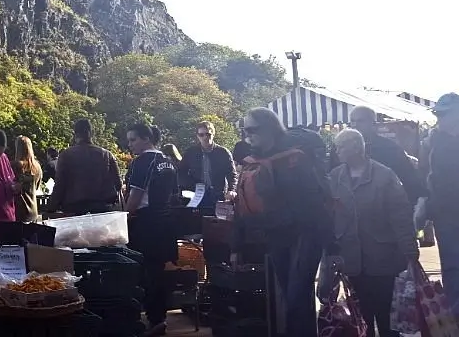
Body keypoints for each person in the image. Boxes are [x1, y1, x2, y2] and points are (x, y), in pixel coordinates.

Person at [236, 107, 334, 337]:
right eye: (244, 130)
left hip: (304, 235)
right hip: (276, 236)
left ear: (270, 129)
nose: (247, 135)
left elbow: (317, 202)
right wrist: (236, 245)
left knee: (296, 300)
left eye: (252, 129)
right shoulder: (253, 161)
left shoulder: (296, 159)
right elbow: (241, 206)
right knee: (293, 301)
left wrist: (333, 246)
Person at [324, 129, 418, 337]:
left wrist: (410, 249)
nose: (337, 151)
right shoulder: (335, 177)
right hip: (352, 261)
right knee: (360, 317)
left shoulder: (384, 176)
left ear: (356, 147)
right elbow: (328, 217)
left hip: (383, 258)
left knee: (386, 316)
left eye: (341, 147)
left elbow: (401, 216)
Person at [124, 123, 179, 337]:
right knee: (159, 271)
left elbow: (134, 199)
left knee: (144, 272)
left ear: (146, 138)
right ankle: (160, 317)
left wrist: (124, 217)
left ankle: (150, 320)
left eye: (133, 140)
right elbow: (174, 195)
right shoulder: (169, 161)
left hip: (146, 223)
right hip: (166, 222)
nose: (130, 145)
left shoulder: (142, 162)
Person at [417, 92, 459, 314]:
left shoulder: (438, 143)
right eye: (438, 114)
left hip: (448, 214)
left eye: (444, 114)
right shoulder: (435, 142)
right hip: (447, 217)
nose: (440, 119)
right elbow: (430, 179)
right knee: (452, 270)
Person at [346, 106, 427, 205]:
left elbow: (408, 179)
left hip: (383, 206)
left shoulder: (389, 149)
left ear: (373, 124)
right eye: (352, 121)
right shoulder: (342, 148)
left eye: (360, 121)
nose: (355, 125)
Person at [46, 119, 123, 215]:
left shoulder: (66, 155)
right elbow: (118, 184)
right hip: (101, 209)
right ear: (91, 133)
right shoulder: (106, 154)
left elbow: (60, 184)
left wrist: (51, 207)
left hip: (73, 209)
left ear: (75, 134)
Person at [178, 121, 236, 212]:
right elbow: (181, 172)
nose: (205, 137)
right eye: (201, 135)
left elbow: (232, 174)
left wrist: (231, 190)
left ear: (213, 134)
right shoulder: (191, 152)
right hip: (196, 194)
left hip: (218, 194)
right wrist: (189, 185)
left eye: (208, 134)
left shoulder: (223, 153)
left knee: (215, 223)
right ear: (197, 136)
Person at [11, 135, 43, 223]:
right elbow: (36, 187)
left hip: (19, 212)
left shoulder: (15, 166)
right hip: (33, 211)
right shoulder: (37, 167)